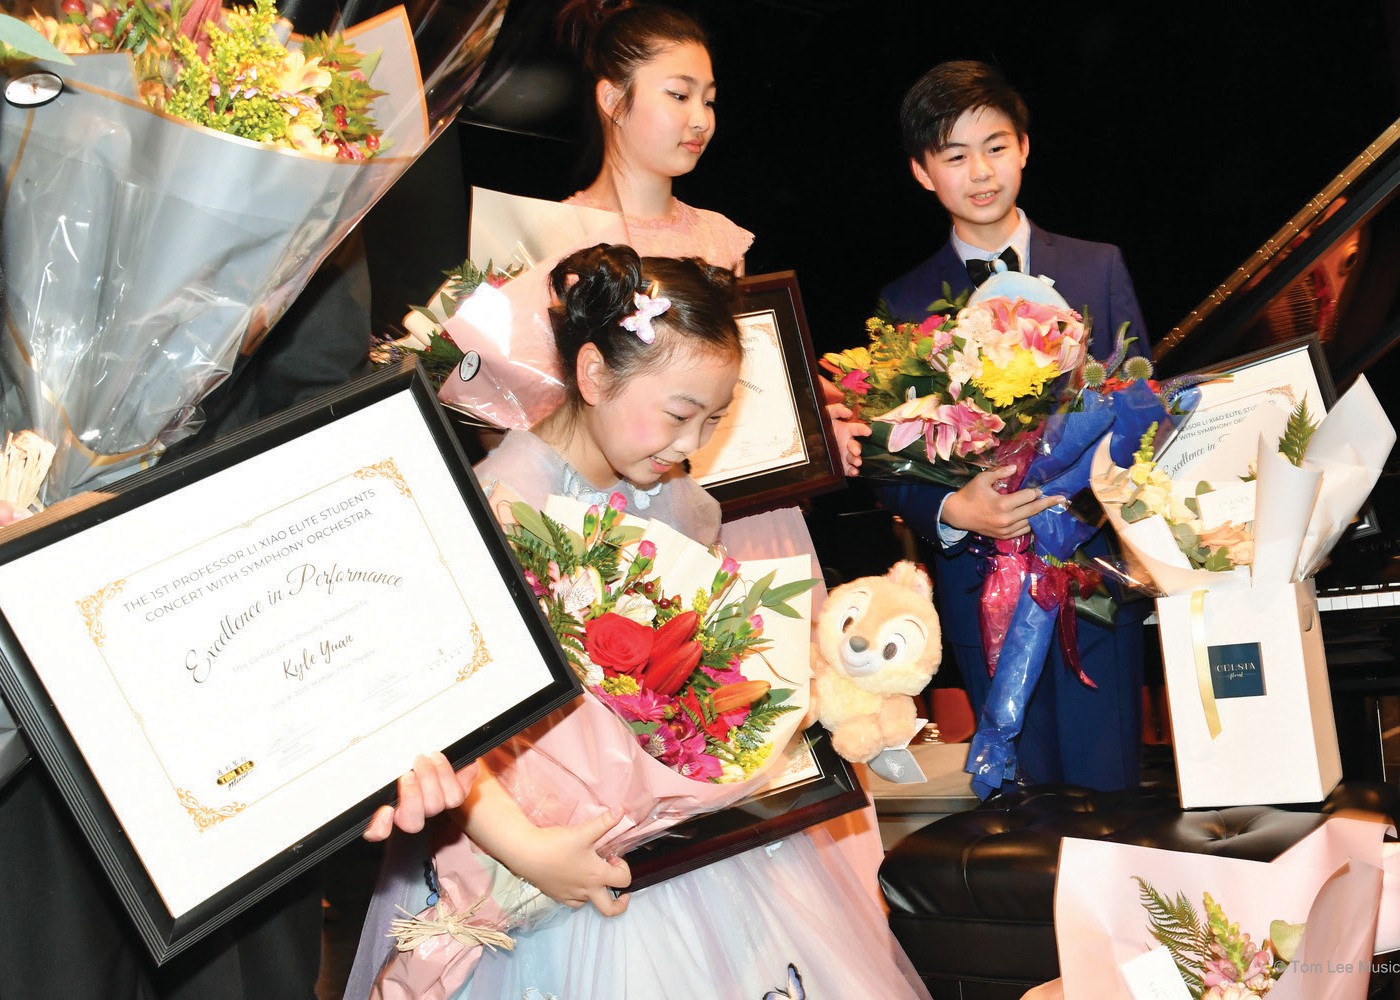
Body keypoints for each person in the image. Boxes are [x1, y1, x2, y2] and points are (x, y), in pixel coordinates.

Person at [353, 244, 931, 999]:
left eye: (714, 420)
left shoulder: (682, 504)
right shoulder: (498, 505)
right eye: (680, 415)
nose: (692, 445)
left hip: (676, 843)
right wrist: (527, 850)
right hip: (530, 846)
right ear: (594, 374)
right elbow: (441, 724)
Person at [873, 60, 1149, 792]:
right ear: (922, 171)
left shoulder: (1098, 268)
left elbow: (1144, 417)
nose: (980, 172)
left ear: (1024, 147)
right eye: (954, 155)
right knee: (1016, 810)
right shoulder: (903, 303)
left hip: (1092, 582)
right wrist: (954, 509)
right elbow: (889, 463)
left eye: (995, 147)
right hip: (980, 588)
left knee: (1112, 800)